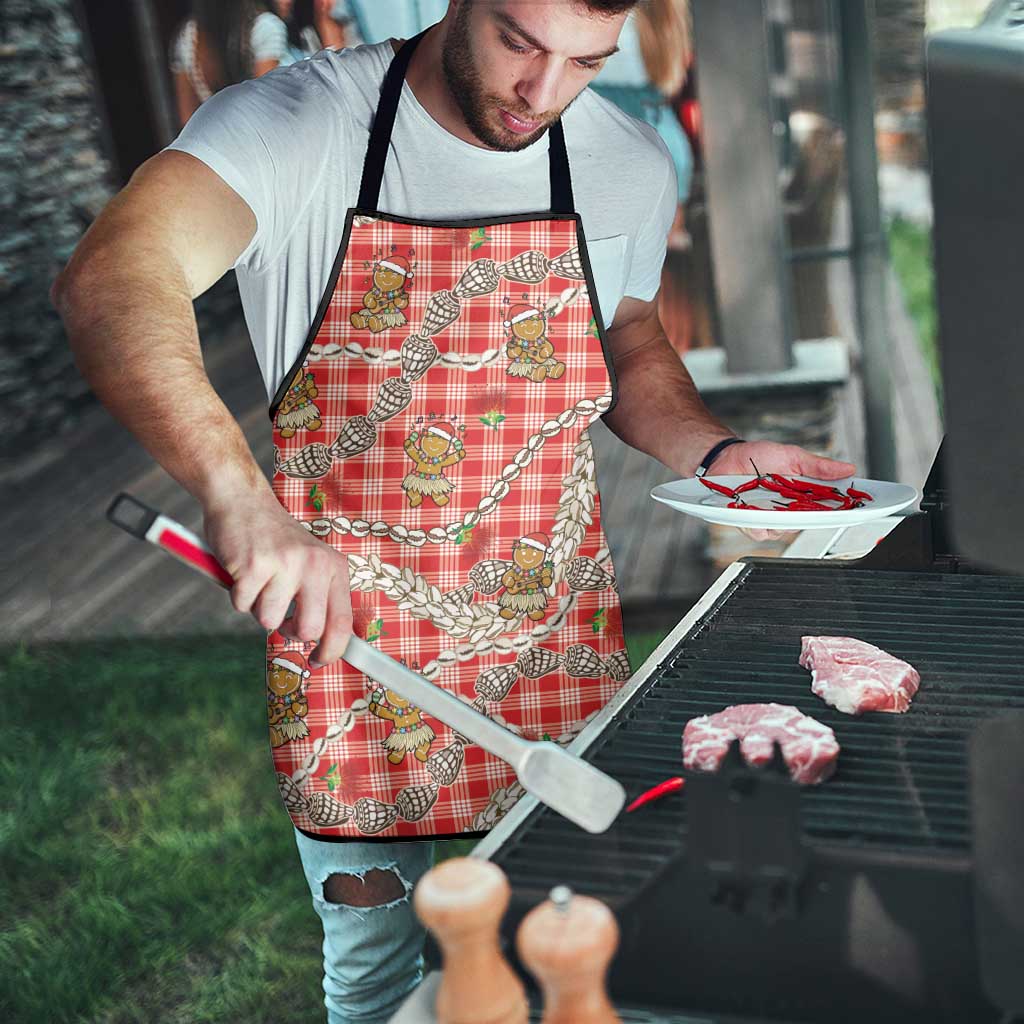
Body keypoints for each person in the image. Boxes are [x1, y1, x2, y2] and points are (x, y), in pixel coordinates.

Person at [52, 2, 856, 1021]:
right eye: (521, 42)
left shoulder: (624, 160)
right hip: (352, 654)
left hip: (548, 638)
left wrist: (718, 449)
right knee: (381, 977)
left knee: (577, 949)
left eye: (585, 62)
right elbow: (113, 275)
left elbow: (630, 338)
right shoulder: (298, 125)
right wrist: (238, 497)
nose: (543, 93)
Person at [169, 0, 289, 127]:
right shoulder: (266, 27)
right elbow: (266, 107)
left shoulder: (188, 37)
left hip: (215, 140)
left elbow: (187, 120)